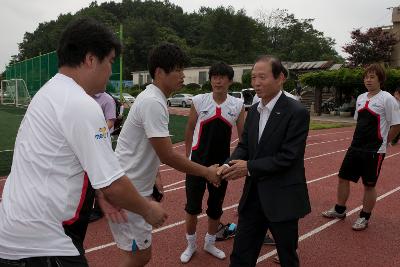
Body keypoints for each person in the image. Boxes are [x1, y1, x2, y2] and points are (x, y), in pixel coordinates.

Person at [0, 18, 167, 267]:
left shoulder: (48, 93)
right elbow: (113, 184)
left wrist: (98, 193)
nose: (111, 70)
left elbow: (69, 158)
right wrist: (148, 209)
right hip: (45, 245)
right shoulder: (81, 104)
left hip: (15, 234)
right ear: (90, 59)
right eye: (110, 61)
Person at [103, 43, 220, 267]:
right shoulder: (153, 102)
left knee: (135, 254)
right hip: (131, 189)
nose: (183, 75)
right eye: (177, 69)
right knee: (138, 256)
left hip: (131, 185)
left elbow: (148, 147)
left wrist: (155, 173)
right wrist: (207, 172)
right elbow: (168, 155)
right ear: (159, 72)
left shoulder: (153, 98)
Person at [217, 55, 311, 267]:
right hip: (253, 197)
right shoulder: (254, 111)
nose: (256, 83)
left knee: (287, 257)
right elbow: (245, 146)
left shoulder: (297, 112)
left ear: (280, 78)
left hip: (283, 197)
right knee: (241, 254)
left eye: (262, 77)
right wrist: (227, 166)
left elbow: (288, 157)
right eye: (253, 78)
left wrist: (248, 167)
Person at [180, 62, 245, 263]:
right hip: (197, 165)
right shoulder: (199, 100)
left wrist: (232, 164)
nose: (218, 81)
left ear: (230, 81)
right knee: (192, 207)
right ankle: (190, 245)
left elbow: (244, 139)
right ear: (210, 80)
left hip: (221, 167)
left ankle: (210, 243)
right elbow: (190, 130)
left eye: (222, 77)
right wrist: (187, 159)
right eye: (214, 77)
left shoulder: (237, 105)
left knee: (215, 207)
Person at [322, 63, 400, 230]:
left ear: (380, 79)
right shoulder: (361, 97)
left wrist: (384, 143)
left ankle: (364, 217)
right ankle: (340, 209)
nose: (368, 80)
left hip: (374, 150)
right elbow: (359, 122)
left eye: (372, 77)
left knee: (369, 185)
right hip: (355, 147)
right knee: (343, 178)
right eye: (366, 77)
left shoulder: (387, 98)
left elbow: (396, 125)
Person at [89, 92, 117, 223]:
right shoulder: (85, 96)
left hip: (100, 143)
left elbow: (110, 122)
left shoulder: (107, 100)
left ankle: (99, 209)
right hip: (87, 142)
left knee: (100, 175)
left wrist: (96, 135)